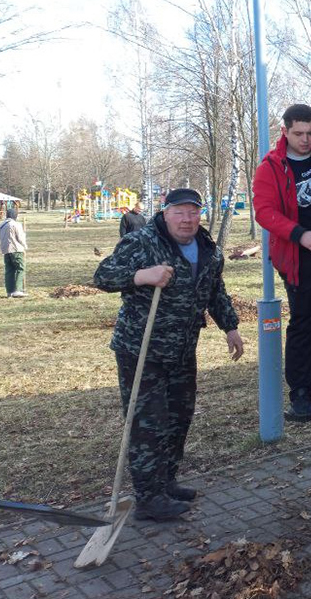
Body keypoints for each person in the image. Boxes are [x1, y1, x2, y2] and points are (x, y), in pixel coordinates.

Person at [94, 188, 244, 522]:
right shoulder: (143, 242)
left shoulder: (208, 249)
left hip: (181, 349)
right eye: (180, 212)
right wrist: (141, 276)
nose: (187, 219)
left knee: (178, 417)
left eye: (193, 212)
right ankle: (148, 499)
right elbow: (102, 276)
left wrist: (230, 327)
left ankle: (166, 481)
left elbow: (215, 291)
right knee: (148, 424)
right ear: (165, 214)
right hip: (141, 349)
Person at [252, 104, 311, 419]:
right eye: (299, 134)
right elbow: (264, 211)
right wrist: (299, 233)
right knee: (304, 321)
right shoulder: (271, 167)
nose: (306, 140)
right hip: (299, 257)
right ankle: (300, 393)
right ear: (285, 132)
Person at [0, 207, 27, 298]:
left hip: (5, 250)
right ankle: (18, 290)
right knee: (20, 268)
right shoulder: (16, 224)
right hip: (16, 249)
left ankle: (9, 291)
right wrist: (25, 246)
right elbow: (20, 238)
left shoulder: (1, 225)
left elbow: (0, 237)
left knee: (9, 270)